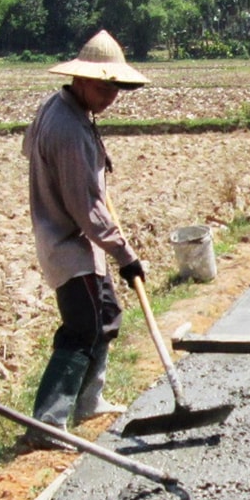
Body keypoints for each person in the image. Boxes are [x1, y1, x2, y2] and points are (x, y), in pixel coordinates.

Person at [22, 31, 150, 430]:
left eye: (115, 88)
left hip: (79, 244)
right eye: (102, 86)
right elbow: (86, 209)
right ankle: (47, 422)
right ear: (79, 79)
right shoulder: (70, 129)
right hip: (69, 244)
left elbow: (29, 149)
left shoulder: (60, 109)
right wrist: (126, 256)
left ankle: (89, 402)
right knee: (82, 329)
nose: (110, 96)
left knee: (106, 313)